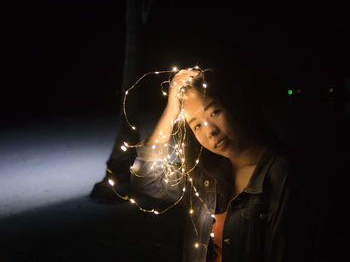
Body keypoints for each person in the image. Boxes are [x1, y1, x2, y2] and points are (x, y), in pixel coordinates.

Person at [128, 68, 308, 262]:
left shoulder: (279, 174)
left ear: (234, 105)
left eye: (214, 112)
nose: (210, 131)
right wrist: (172, 109)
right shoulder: (205, 176)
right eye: (196, 125)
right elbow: (145, 180)